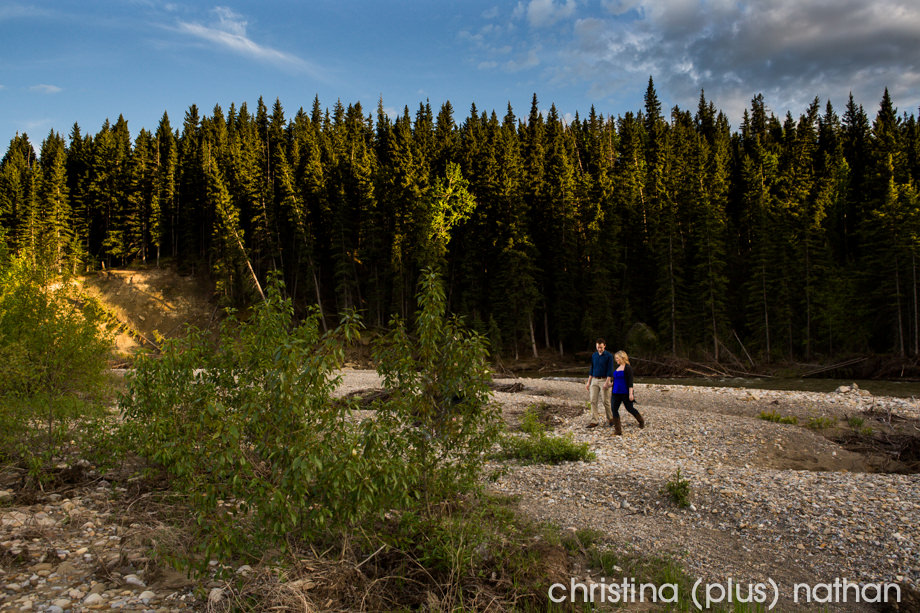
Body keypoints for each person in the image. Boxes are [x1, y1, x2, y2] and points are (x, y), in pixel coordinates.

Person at [610, 350, 644, 435]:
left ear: (622, 358)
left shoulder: (627, 368)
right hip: (615, 392)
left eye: (617, 358)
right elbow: (615, 380)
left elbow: (630, 382)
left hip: (625, 392)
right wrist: (609, 384)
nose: (616, 360)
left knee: (629, 408)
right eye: (615, 358)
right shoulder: (617, 368)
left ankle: (641, 421)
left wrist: (631, 393)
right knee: (614, 409)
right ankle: (618, 430)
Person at [585, 338, 613, 428]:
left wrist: (607, 382)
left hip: (604, 380)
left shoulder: (609, 356)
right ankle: (594, 421)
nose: (599, 349)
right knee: (593, 400)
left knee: (606, 401)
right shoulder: (594, 355)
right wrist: (588, 382)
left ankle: (611, 419)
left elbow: (610, 370)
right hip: (594, 380)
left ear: (604, 346)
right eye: (598, 347)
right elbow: (592, 369)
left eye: (601, 347)